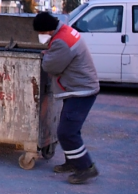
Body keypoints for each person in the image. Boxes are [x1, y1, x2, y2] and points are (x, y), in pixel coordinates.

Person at [33, 12, 100, 184]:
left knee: (66, 132)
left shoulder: (61, 42)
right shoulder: (64, 32)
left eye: (40, 33)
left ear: (47, 30)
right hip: (78, 88)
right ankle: (73, 162)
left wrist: (46, 55)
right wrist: (49, 52)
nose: (40, 36)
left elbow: (50, 66)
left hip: (81, 91)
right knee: (69, 130)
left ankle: (86, 167)